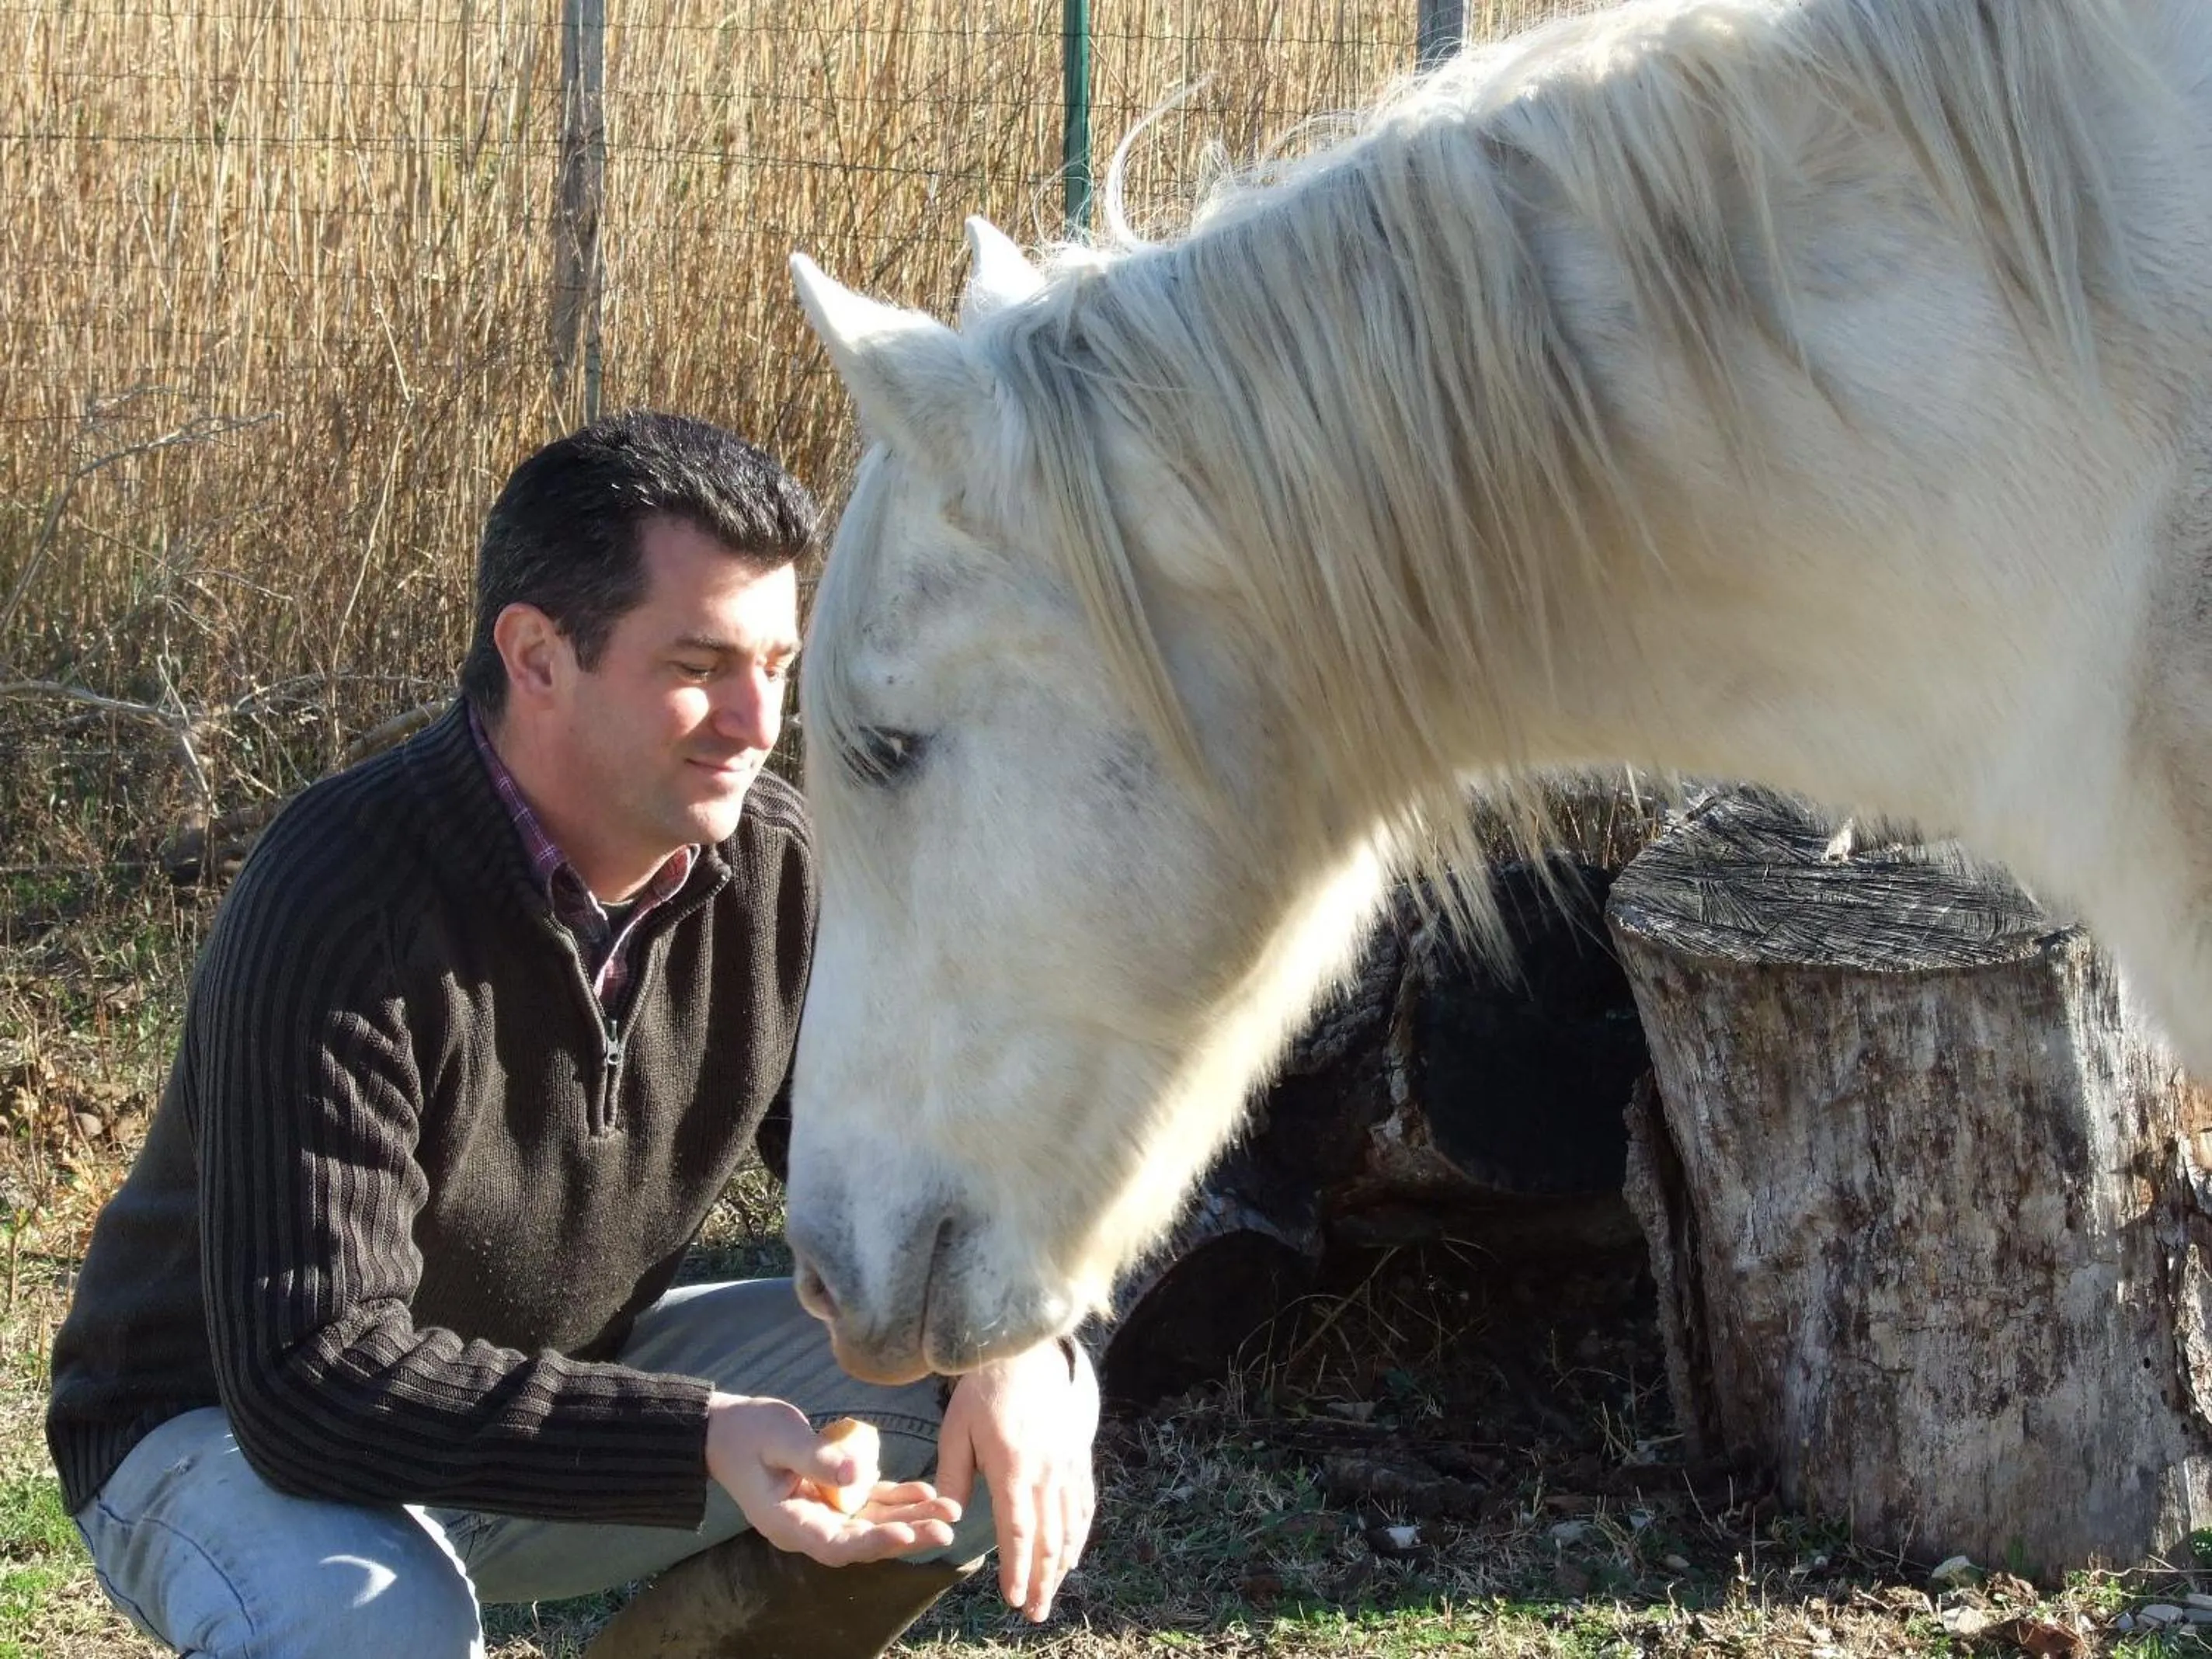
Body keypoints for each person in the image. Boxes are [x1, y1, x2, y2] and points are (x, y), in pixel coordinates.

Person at [45, 411, 1100, 1659]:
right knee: (374, 1625)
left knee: (985, 1402)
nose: (758, 721)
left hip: (530, 1408)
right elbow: (305, 1376)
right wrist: (694, 1436)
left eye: (779, 664)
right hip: (219, 1435)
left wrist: (1014, 1351)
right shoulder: (341, 897)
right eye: (699, 665)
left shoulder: (776, 869)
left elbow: (905, 1176)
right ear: (538, 656)